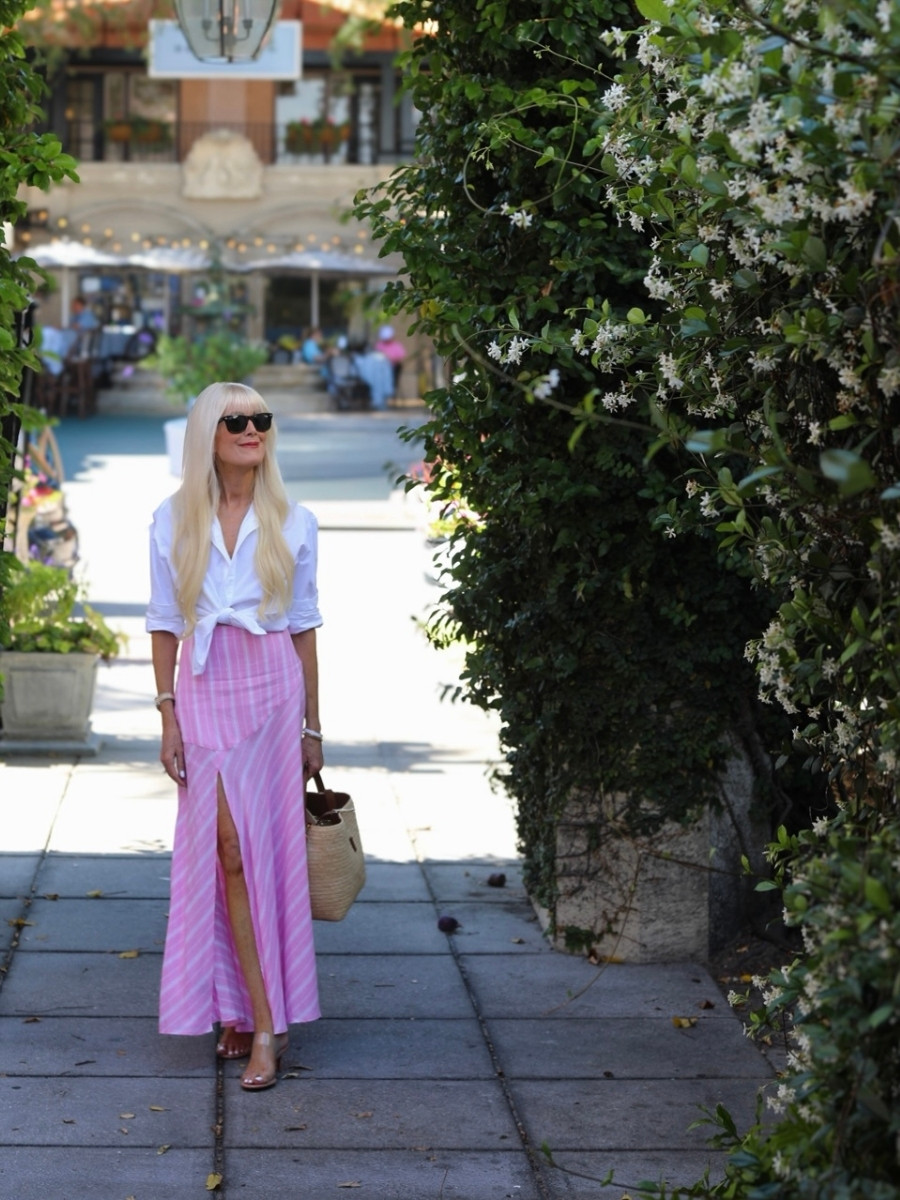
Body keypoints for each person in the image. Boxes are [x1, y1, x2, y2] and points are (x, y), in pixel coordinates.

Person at [146, 381, 324, 1092]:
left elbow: (305, 628)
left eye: (260, 420)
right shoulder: (171, 519)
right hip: (204, 688)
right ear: (206, 435)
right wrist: (166, 715)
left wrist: (314, 725)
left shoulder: (295, 519)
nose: (252, 430)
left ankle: (262, 1023)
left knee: (263, 856)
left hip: (272, 691)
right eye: (235, 421)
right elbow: (163, 623)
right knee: (224, 852)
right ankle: (246, 1007)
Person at [373, 324, 406, 396]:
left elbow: (400, 357)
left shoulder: (397, 345)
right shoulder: (379, 345)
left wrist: (390, 360)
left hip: (392, 368)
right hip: (379, 368)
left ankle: (391, 389)